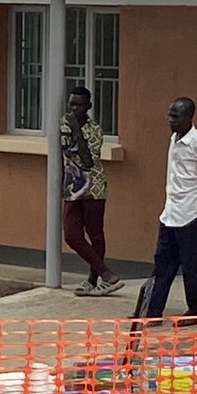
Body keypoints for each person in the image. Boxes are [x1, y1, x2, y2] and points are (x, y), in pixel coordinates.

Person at [61, 87, 122, 297]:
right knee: (71, 235)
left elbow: (87, 161)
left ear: (88, 106)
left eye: (79, 104)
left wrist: (76, 130)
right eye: (72, 104)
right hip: (72, 188)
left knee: (95, 233)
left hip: (93, 186)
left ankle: (93, 280)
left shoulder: (95, 129)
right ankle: (105, 272)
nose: (74, 108)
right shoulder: (62, 124)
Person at [142, 97, 197, 321]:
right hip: (170, 213)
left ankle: (195, 310)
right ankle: (152, 312)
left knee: (192, 266)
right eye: (169, 115)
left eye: (175, 116)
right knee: (163, 264)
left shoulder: (195, 142)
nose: (170, 120)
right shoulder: (174, 139)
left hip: (190, 214)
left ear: (189, 117)